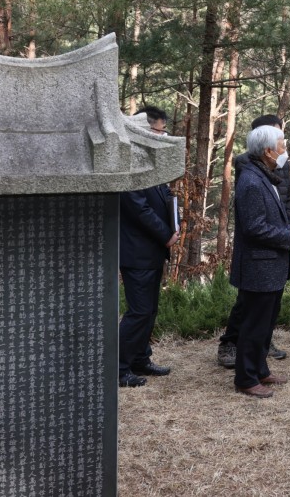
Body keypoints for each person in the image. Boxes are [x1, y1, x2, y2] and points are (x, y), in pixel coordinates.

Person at [216, 114, 290, 368]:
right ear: (267, 151)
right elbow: (254, 227)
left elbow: (286, 202)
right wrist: (288, 236)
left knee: (264, 323)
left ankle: (260, 370)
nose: (285, 151)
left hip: (271, 260)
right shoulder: (251, 180)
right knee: (253, 324)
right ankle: (247, 377)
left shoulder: (267, 173)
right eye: (282, 146)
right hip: (259, 263)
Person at [118, 106, 178, 388]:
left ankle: (140, 357)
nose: (162, 135)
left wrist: (175, 218)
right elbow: (139, 209)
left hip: (152, 250)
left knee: (150, 310)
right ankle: (118, 367)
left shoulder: (148, 161)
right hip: (137, 251)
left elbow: (163, 193)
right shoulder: (128, 161)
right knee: (139, 311)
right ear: (142, 130)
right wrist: (167, 233)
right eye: (159, 130)